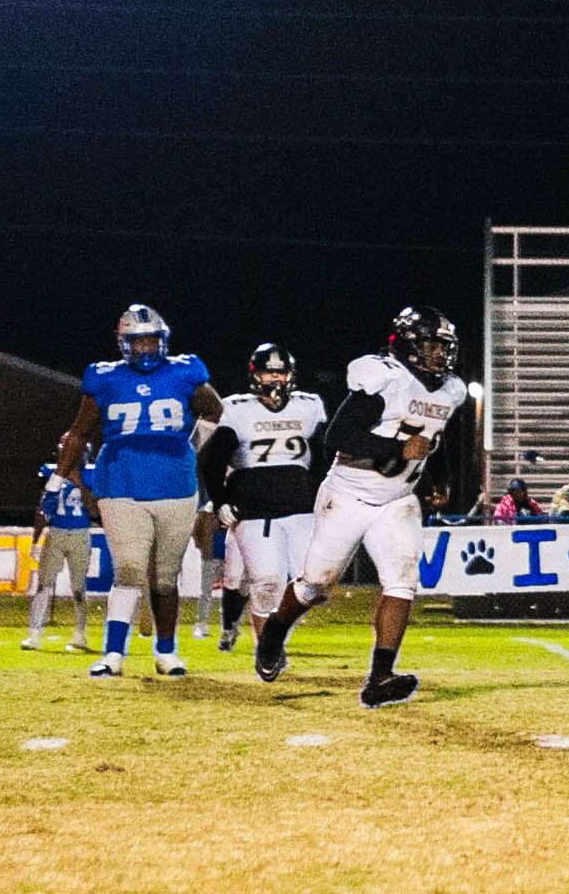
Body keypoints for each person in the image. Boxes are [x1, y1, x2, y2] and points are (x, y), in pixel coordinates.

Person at [251, 305, 478, 708]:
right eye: (431, 345)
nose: (439, 356)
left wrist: (437, 477)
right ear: (407, 343)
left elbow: (430, 438)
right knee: (315, 584)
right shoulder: (385, 379)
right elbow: (338, 436)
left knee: (402, 580)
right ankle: (273, 632)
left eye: (444, 348)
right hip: (350, 493)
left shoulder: (450, 391)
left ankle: (379, 677)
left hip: (397, 499)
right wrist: (395, 448)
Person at [56, 302, 222, 681]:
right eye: (138, 342)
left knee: (165, 576)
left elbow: (213, 409)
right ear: (123, 343)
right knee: (128, 570)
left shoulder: (184, 370)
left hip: (176, 485)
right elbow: (80, 431)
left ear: (162, 341)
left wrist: (190, 446)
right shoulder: (104, 377)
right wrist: (60, 477)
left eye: (151, 341)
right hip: (120, 484)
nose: (146, 349)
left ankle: (166, 651)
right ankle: (113, 653)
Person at [211, 341, 327, 649]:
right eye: (267, 373)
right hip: (253, 510)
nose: (275, 380)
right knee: (262, 581)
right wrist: (220, 500)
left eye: (281, 373)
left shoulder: (309, 405)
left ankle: (274, 632)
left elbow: (323, 459)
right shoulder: (237, 409)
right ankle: (266, 649)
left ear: (292, 375)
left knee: (315, 581)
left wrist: (326, 497)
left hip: (300, 507)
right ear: (255, 376)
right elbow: (212, 459)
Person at [23, 459, 95, 649]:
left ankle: (80, 635)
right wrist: (36, 539)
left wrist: (78, 482)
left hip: (80, 534)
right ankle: (35, 635)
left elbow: (94, 509)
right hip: (56, 533)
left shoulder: (91, 474)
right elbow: (42, 509)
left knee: (79, 588)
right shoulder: (52, 472)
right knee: (44, 585)